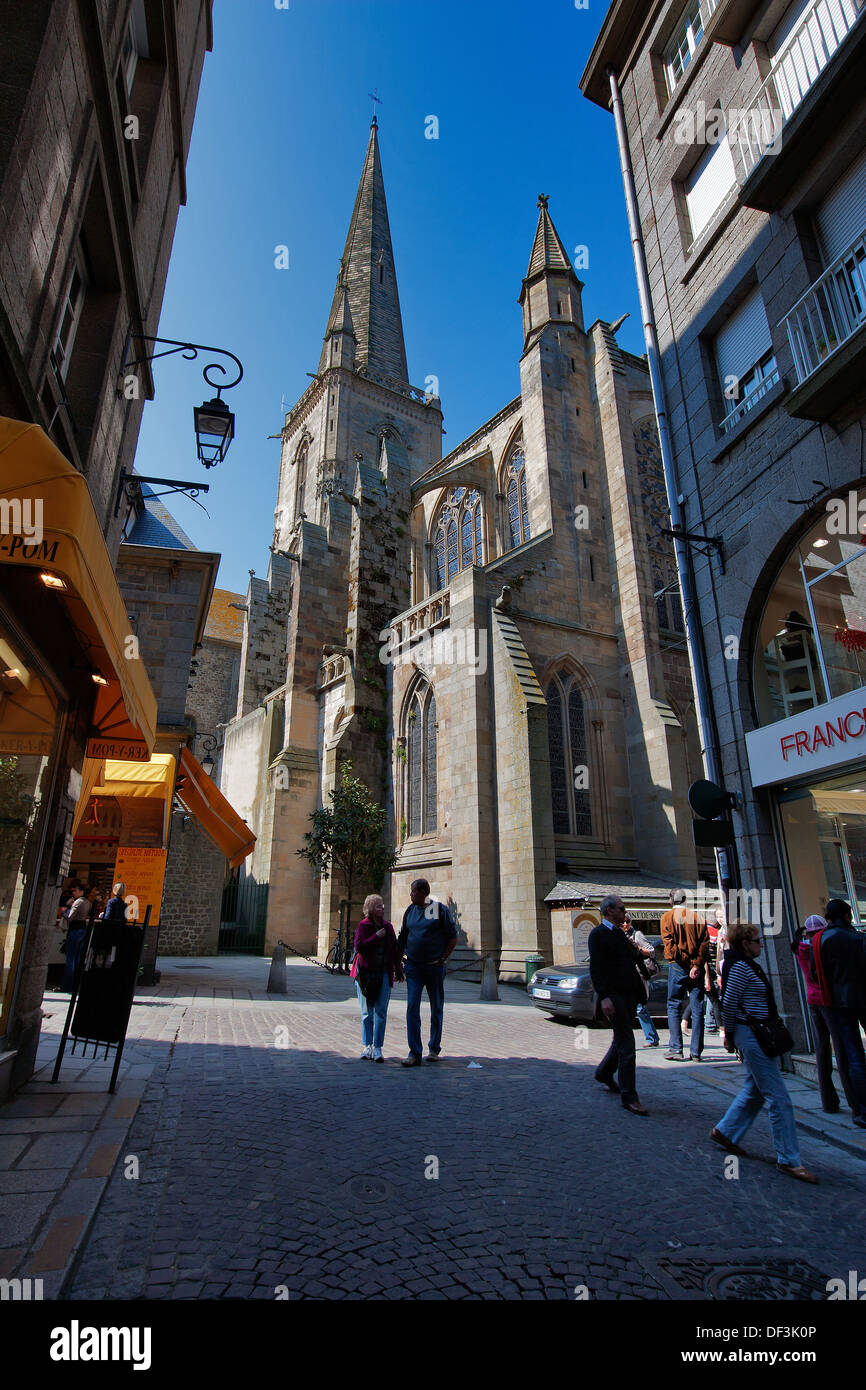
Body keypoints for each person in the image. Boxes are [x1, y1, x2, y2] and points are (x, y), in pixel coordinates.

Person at [711, 922, 817, 1183]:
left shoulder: (745, 965)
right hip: (752, 1035)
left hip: (756, 1033)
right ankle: (789, 1159)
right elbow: (729, 1003)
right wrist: (729, 1036)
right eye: (757, 941)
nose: (761, 944)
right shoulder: (739, 968)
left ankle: (725, 1131)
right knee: (779, 1098)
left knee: (756, 1089)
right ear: (745, 944)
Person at [588, 895, 650, 1115]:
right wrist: (603, 997)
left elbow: (633, 957)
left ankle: (604, 1072)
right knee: (627, 1044)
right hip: (614, 997)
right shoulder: (598, 934)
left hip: (630, 995)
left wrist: (644, 951)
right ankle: (629, 1096)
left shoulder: (620, 933)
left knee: (621, 1038)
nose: (625, 912)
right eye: (622, 909)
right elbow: (596, 968)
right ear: (609, 910)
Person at [812, 899, 866, 1129]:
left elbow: (816, 973)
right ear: (846, 916)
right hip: (862, 998)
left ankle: (862, 1111)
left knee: (854, 1055)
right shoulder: (858, 938)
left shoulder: (820, 940)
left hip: (836, 1004)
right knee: (854, 1055)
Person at [396, 879, 458, 1067]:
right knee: (412, 1008)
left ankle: (434, 1049)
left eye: (413, 891)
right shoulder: (409, 911)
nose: (411, 894)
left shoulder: (439, 910)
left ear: (423, 892)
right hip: (413, 967)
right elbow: (402, 938)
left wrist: (442, 958)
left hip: (434, 967)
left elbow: (453, 937)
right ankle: (414, 1052)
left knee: (436, 1007)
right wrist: (397, 963)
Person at [350, 894, 402, 1061]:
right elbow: (358, 946)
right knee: (367, 1012)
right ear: (371, 909)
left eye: (382, 905)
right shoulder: (363, 926)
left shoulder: (388, 927)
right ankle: (367, 1046)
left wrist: (398, 969)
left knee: (381, 1011)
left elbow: (394, 949)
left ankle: (378, 1047)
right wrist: (375, 937)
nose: (383, 908)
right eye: (379, 906)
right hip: (365, 974)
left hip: (384, 973)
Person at [661, 888, 710, 1061]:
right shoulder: (697, 918)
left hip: (678, 966)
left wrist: (687, 964)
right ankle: (696, 1052)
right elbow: (705, 945)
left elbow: (670, 948)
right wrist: (696, 964)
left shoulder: (667, 918)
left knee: (674, 1005)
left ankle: (676, 1048)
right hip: (696, 968)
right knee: (697, 1008)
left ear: (671, 900)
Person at [624, 913, 659, 1048]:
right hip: (626, 975)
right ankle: (652, 1036)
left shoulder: (636, 935)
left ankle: (651, 1037)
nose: (625, 924)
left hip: (638, 975)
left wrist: (638, 948)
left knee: (640, 1007)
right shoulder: (619, 935)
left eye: (627, 921)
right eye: (623, 922)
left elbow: (651, 951)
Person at [62, 884, 91, 992]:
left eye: (75, 890)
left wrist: (64, 911)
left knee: (71, 958)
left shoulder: (78, 902)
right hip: (82, 929)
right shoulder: (88, 902)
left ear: (81, 891)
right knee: (78, 958)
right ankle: (76, 984)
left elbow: (70, 917)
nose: (73, 892)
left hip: (75, 930)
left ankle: (68, 985)